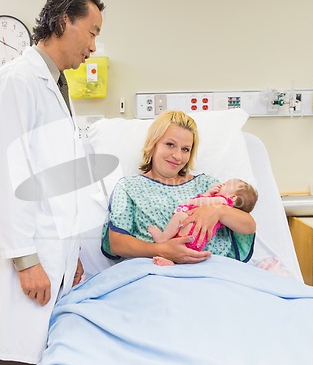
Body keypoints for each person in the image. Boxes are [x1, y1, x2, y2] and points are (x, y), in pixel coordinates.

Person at [0, 0, 105, 365]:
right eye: (92, 32)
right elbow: (7, 178)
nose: (94, 47)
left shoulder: (56, 87)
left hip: (53, 253)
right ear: (65, 21)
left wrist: (71, 251)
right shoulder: (17, 81)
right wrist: (26, 262)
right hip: (28, 259)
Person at [101, 110, 256, 265]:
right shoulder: (129, 188)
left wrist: (219, 210)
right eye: (170, 145)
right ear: (153, 144)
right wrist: (162, 249)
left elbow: (248, 225)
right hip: (157, 270)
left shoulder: (208, 185)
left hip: (215, 270)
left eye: (185, 149)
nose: (178, 156)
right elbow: (118, 243)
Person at [150, 178, 258, 265]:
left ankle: (163, 238)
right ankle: (170, 261)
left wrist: (195, 200)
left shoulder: (222, 201)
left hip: (194, 232)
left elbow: (202, 202)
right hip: (197, 240)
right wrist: (208, 193)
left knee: (180, 217)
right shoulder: (221, 202)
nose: (221, 184)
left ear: (233, 197)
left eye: (225, 184)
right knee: (180, 248)